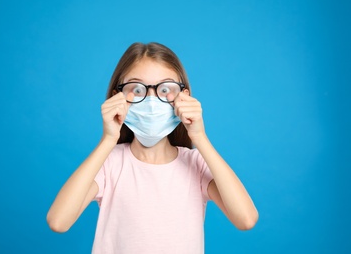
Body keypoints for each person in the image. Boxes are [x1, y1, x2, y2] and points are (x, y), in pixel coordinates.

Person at [47, 42, 258, 253]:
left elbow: (246, 219)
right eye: (137, 89)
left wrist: (199, 137)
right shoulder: (109, 164)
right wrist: (108, 139)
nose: (151, 100)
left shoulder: (195, 164)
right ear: (117, 96)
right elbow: (59, 221)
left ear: (183, 96)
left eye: (165, 89)